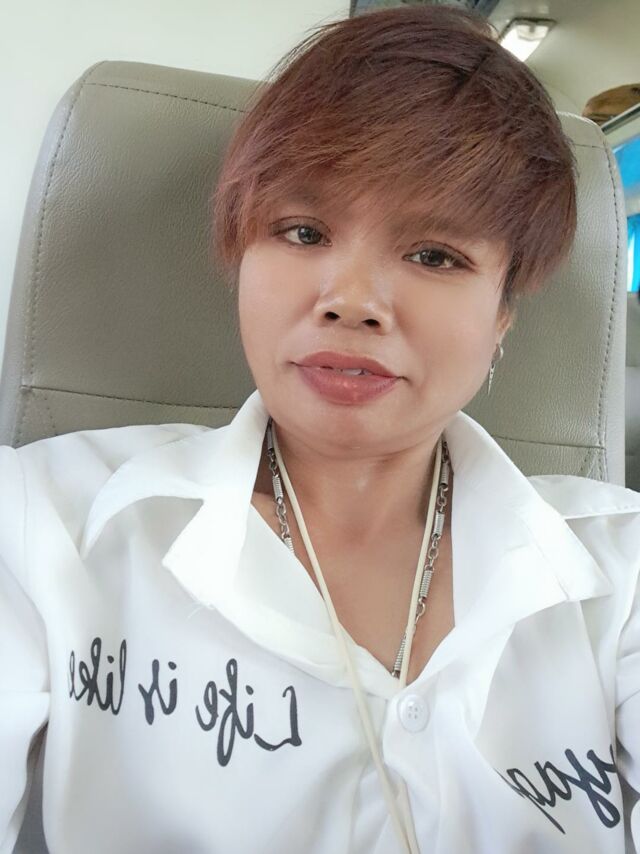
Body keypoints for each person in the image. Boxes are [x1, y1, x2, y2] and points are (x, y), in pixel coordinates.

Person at [1, 5, 639, 853]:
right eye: (303, 232)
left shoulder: (622, 572)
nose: (353, 301)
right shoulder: (42, 521)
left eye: (435, 255)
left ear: (502, 317)